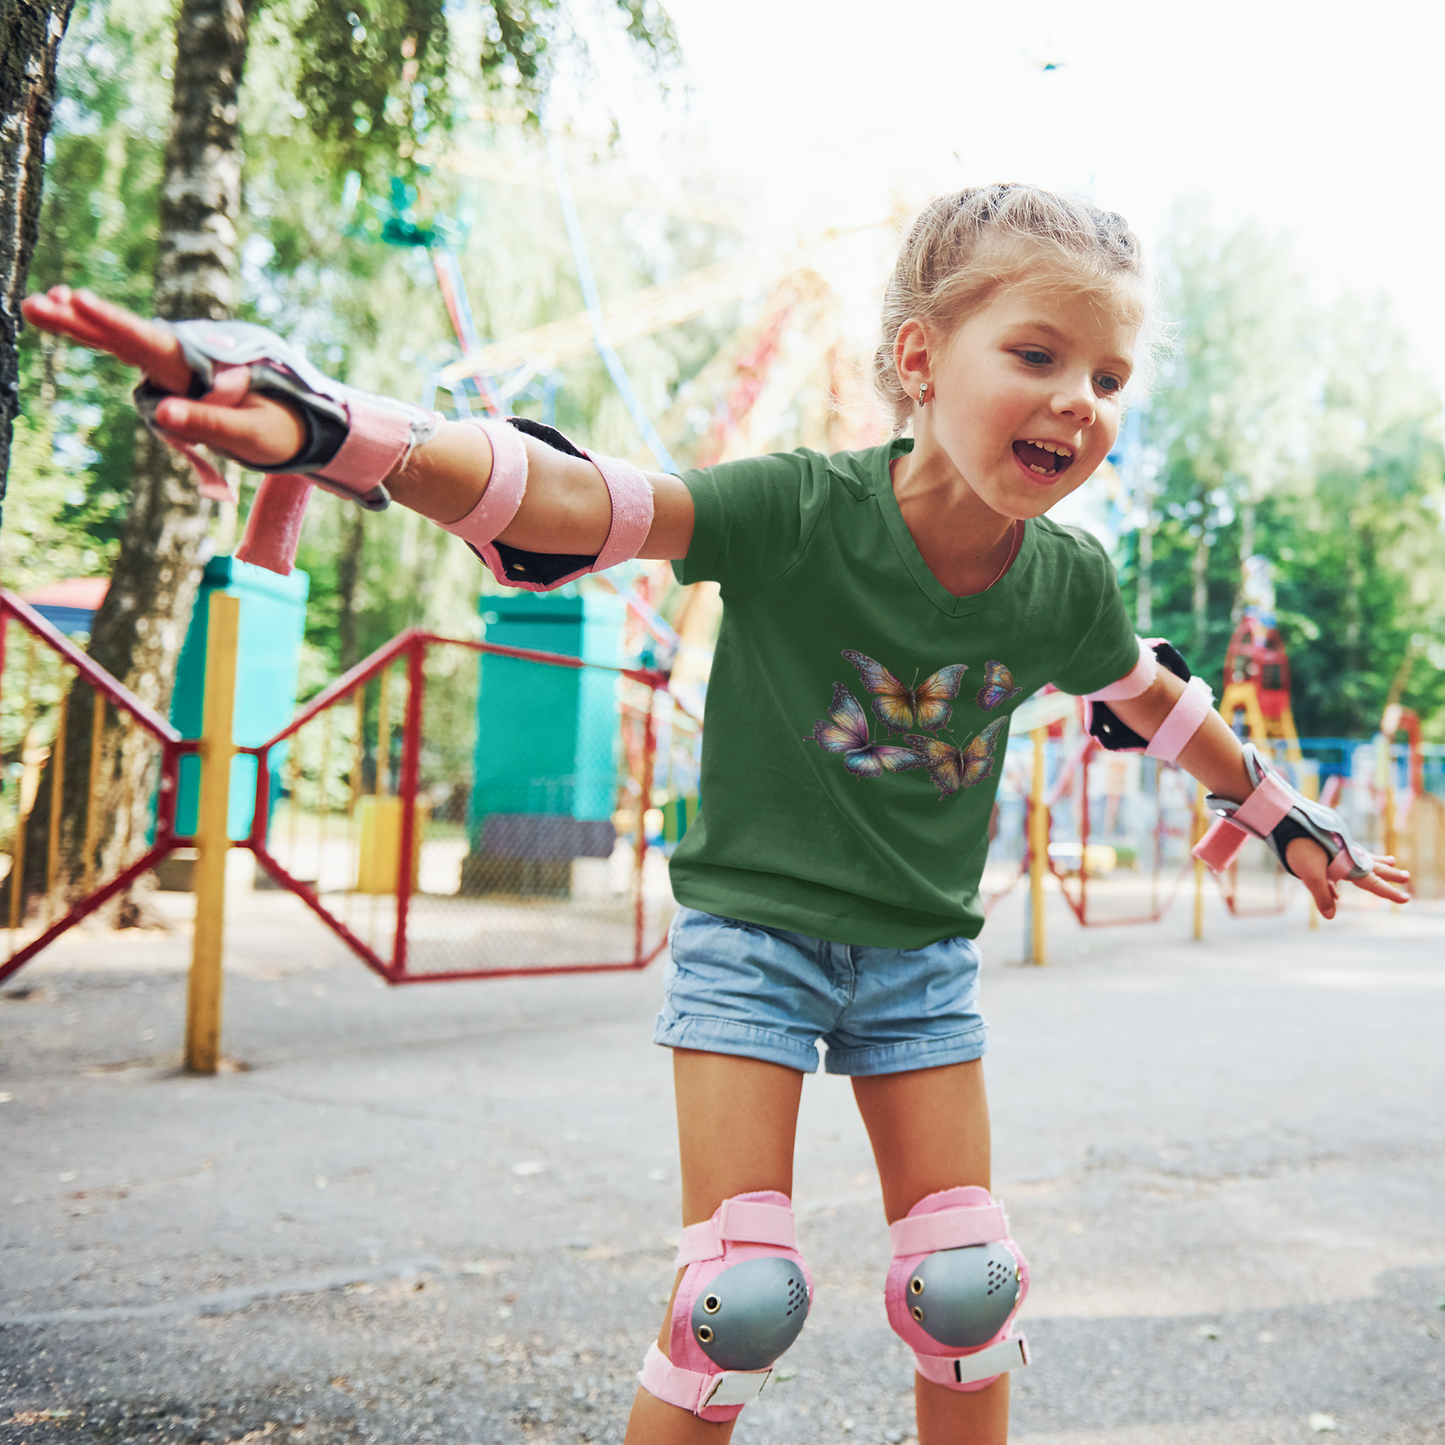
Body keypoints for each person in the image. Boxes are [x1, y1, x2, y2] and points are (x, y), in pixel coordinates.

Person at [23, 183, 1409, 1444]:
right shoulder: (798, 509)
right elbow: (574, 498)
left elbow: (1155, 700)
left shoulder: (1068, 582)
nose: (1079, 402)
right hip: (755, 940)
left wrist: (1283, 811)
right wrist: (334, 428)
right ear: (921, 361)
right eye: (1037, 356)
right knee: (738, 1298)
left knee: (968, 1289)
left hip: (921, 961)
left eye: (1108, 375)